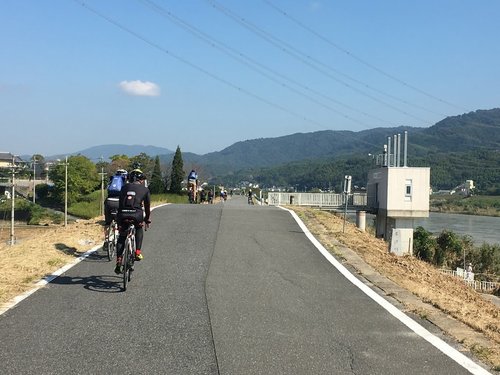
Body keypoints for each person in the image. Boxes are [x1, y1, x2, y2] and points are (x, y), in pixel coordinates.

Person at [114, 169, 151, 274]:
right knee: (139, 228)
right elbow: (147, 208)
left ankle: (119, 260)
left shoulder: (123, 187)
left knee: (122, 236)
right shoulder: (145, 190)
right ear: (141, 180)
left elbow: (120, 204)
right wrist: (147, 219)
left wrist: (119, 220)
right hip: (137, 215)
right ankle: (138, 252)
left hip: (122, 214)